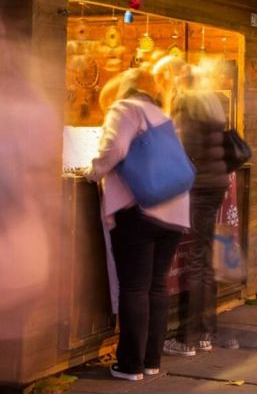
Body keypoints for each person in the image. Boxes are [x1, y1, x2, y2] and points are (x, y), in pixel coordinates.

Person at [87, 69, 190, 380]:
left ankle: (130, 365)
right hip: (174, 209)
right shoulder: (162, 116)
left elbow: (114, 150)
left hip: (139, 207)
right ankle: (150, 360)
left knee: (134, 286)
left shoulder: (125, 109)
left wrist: (92, 172)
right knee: (156, 285)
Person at [153, 59, 236, 356]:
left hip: (197, 187)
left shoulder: (187, 103)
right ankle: (206, 333)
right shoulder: (211, 100)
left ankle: (188, 336)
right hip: (214, 185)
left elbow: (183, 151)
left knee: (197, 262)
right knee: (205, 259)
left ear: (176, 78)